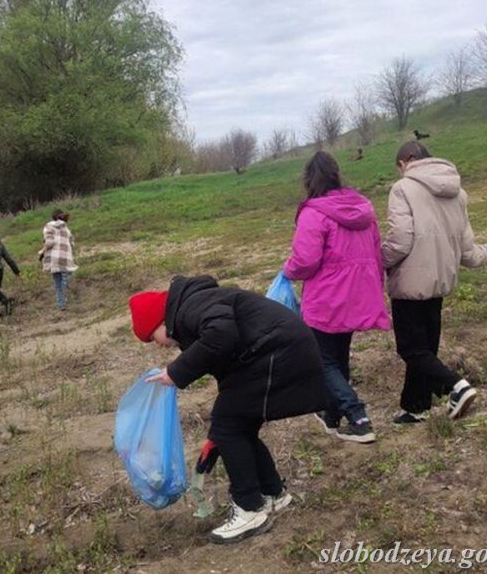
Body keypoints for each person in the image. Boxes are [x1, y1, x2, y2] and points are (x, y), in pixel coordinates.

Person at [128, 275, 327, 545]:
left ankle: (249, 509)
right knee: (237, 426)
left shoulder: (189, 309)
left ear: (161, 322)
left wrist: (176, 372)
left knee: (228, 426)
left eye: (154, 338)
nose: (160, 345)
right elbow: (224, 355)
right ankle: (273, 494)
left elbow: (221, 336)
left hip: (278, 351)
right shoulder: (193, 306)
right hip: (275, 349)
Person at [381, 141, 487, 424]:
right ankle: (415, 407)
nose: (400, 172)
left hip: (410, 282)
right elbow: (466, 248)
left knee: (411, 349)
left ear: (407, 160)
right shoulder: (458, 193)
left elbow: (399, 241)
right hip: (440, 282)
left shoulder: (403, 189)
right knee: (425, 348)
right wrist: (485, 252)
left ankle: (456, 387)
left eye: (399, 166)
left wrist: (377, 261)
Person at [283, 151, 390, 444]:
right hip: (360, 292)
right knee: (337, 355)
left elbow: (305, 260)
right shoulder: (363, 208)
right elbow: (376, 249)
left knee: (321, 360)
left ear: (308, 180)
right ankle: (332, 414)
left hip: (328, 297)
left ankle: (358, 417)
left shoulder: (313, 213)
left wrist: (287, 271)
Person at [39, 209, 77, 310]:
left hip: (54, 258)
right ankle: (63, 297)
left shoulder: (48, 227)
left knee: (57, 282)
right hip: (66, 258)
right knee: (65, 277)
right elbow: (72, 243)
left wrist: (42, 251)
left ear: (53, 217)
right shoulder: (66, 229)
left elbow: (49, 243)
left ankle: (61, 304)